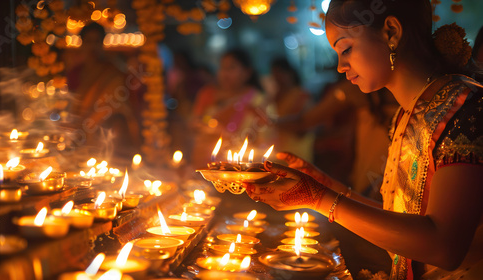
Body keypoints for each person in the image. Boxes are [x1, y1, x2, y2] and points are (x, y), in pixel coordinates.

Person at [245, 0, 483, 279]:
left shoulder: (466, 109)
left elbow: (444, 246)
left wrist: (321, 199)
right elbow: (405, 222)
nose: (340, 67)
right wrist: (324, 185)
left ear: (391, 32)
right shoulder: (407, 114)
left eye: (346, 49)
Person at [66, 22, 140, 157]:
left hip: (109, 131)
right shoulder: (75, 73)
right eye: (89, 41)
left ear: (103, 43)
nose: (93, 46)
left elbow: (121, 106)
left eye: (97, 41)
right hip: (80, 130)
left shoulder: (114, 72)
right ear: (82, 43)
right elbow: (72, 105)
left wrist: (93, 120)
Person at [191, 49, 273, 168]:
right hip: (205, 161)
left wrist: (228, 135)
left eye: (231, 68)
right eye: (222, 68)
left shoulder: (258, 100)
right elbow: (194, 124)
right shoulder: (208, 94)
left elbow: (264, 140)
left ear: (247, 72)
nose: (225, 73)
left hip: (239, 166)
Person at [269, 58, 315, 162]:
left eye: (281, 73)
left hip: (297, 150)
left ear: (290, 73)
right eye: (275, 74)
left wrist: (272, 122)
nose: (277, 78)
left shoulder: (301, 95)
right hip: (279, 150)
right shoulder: (275, 96)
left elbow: (303, 126)